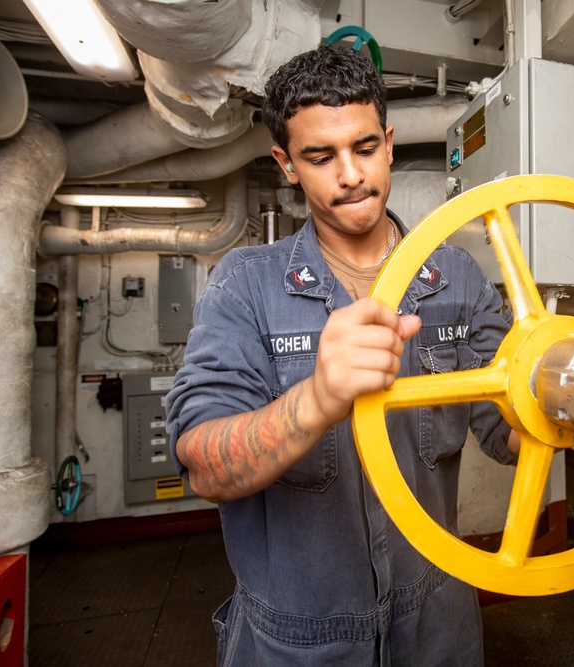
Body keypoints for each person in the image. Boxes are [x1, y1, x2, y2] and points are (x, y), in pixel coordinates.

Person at [165, 45, 516, 665]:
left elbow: (505, 427)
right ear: (286, 164)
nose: (350, 175)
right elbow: (203, 464)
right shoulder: (245, 283)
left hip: (437, 625)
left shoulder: (458, 279)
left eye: (363, 148)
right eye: (320, 157)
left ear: (388, 141)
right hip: (297, 641)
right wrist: (318, 399)